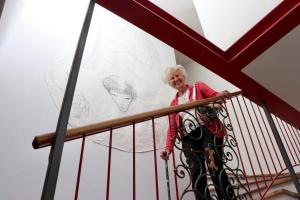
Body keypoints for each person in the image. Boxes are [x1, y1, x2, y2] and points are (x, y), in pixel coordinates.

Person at [160, 65, 235, 200]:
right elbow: (172, 128)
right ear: (169, 83)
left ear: (183, 76)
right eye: (172, 78)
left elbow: (214, 96)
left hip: (208, 130)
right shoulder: (173, 104)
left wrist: (220, 95)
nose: (176, 79)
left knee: (213, 165)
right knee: (196, 172)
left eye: (178, 75)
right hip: (189, 137)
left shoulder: (198, 86)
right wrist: (168, 148)